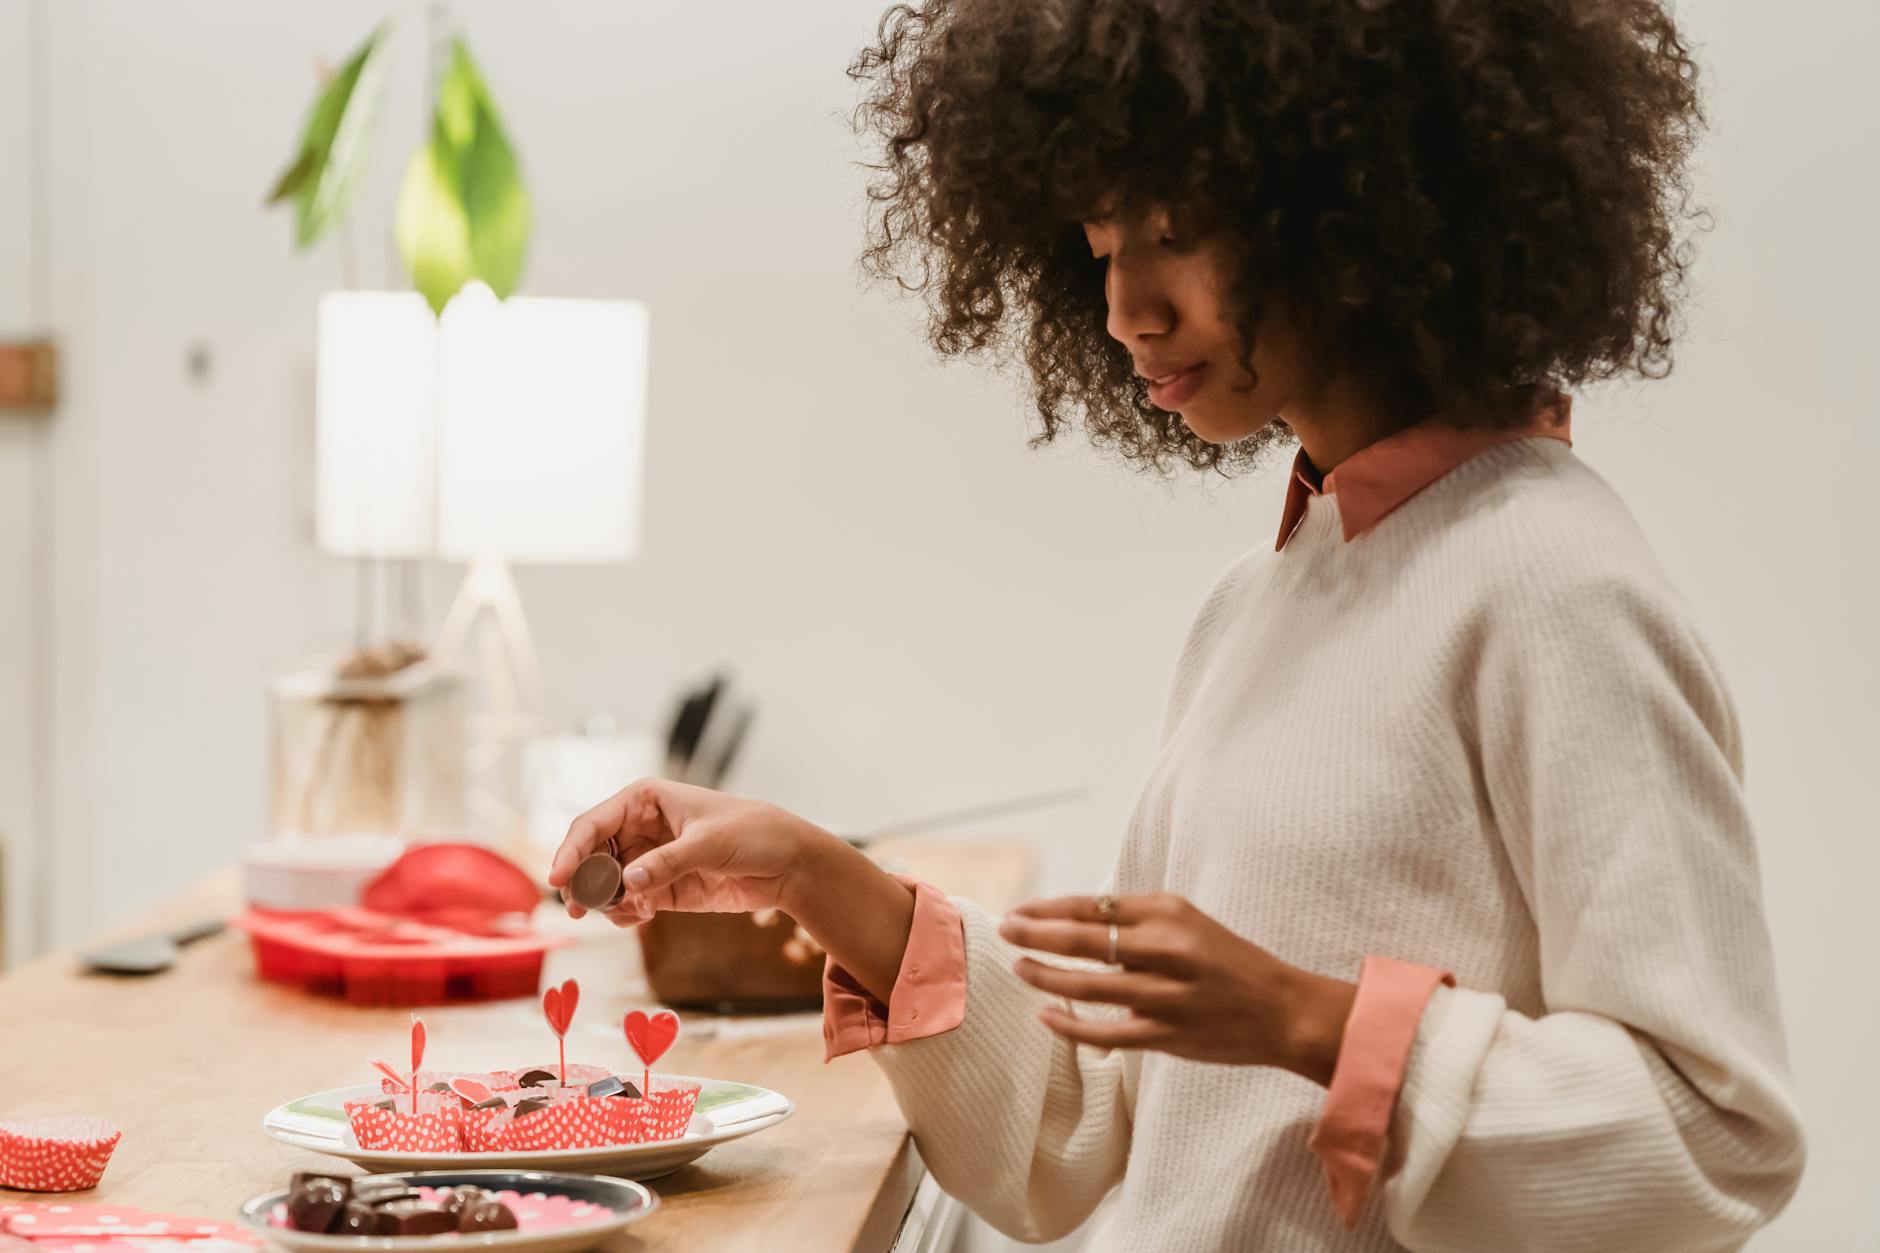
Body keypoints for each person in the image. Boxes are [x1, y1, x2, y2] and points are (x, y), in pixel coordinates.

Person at [550, 0, 1807, 1247]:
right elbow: (1086, 1127)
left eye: (1177, 232)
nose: (1123, 309)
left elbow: (1710, 1131)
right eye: (1101, 247)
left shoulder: (1553, 587)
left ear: (1358, 204)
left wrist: (1306, 1020)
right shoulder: (1256, 606)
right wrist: (816, 875)